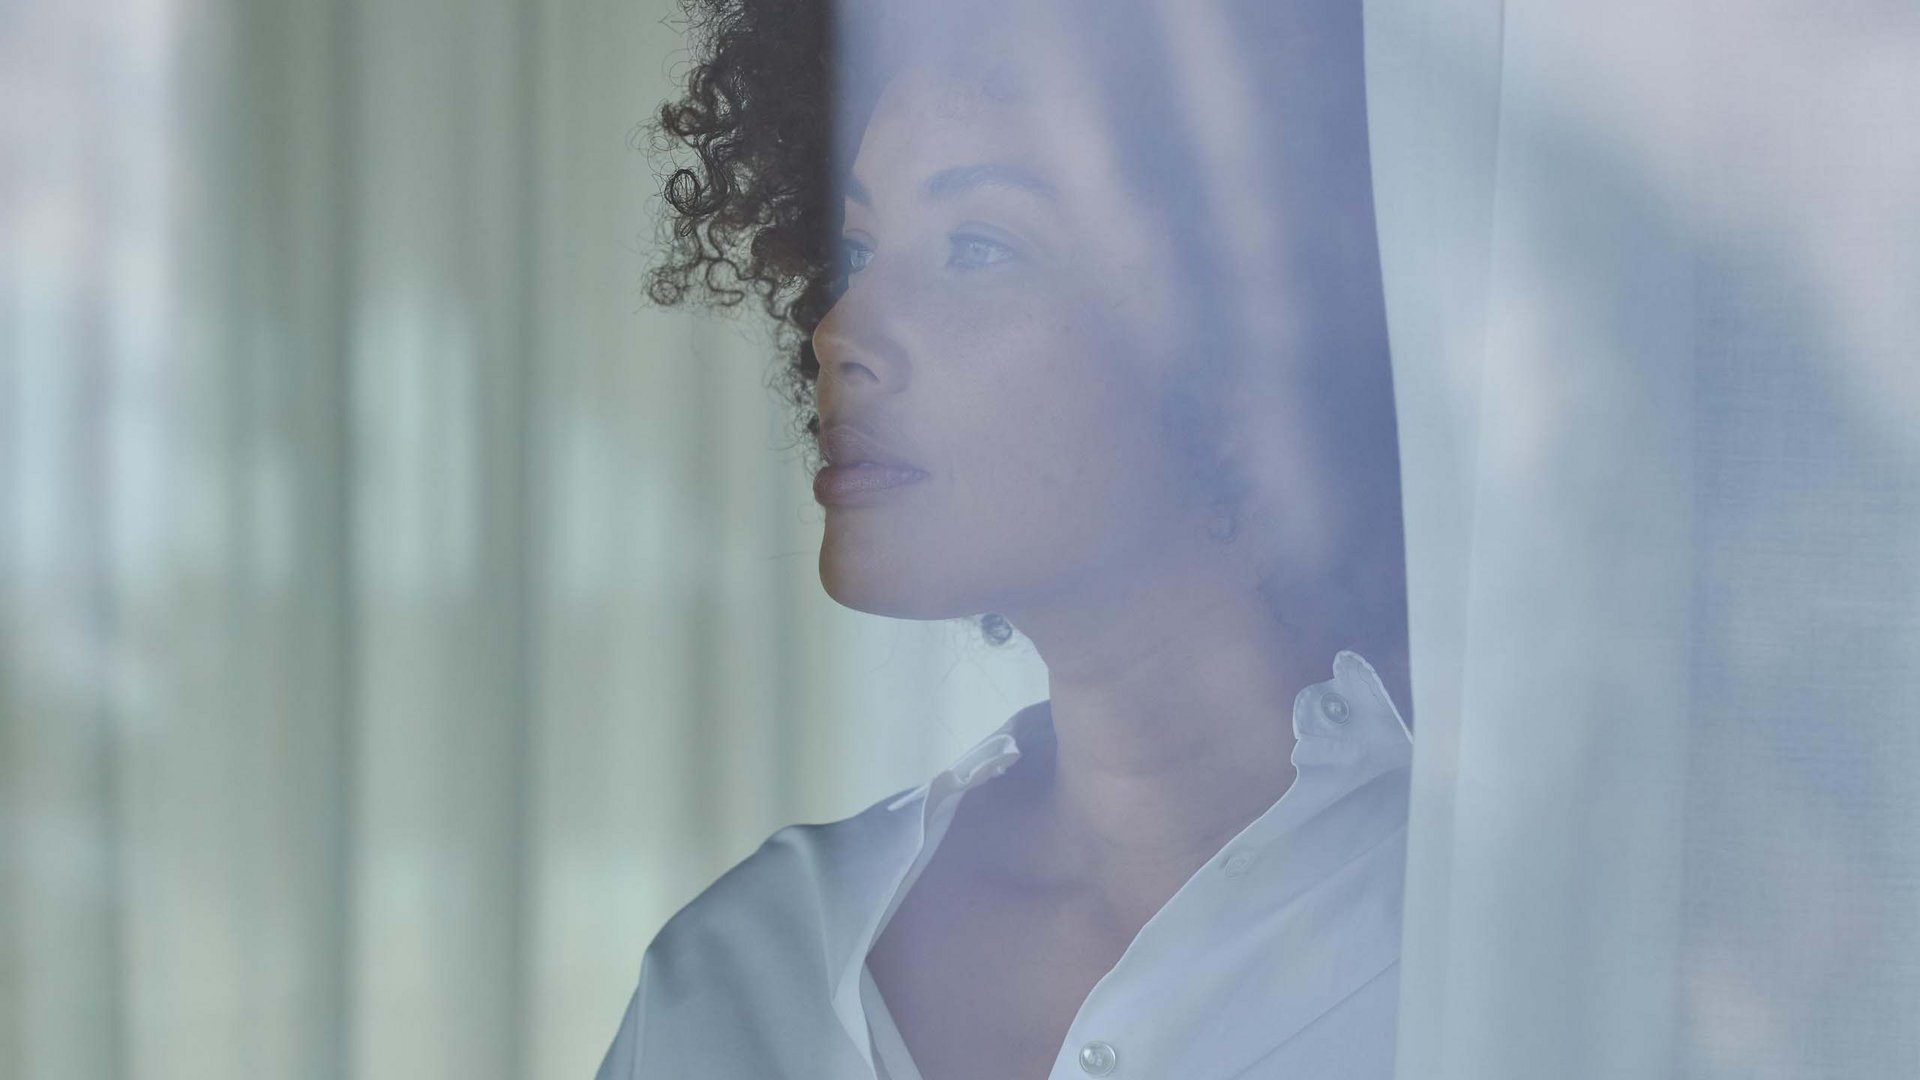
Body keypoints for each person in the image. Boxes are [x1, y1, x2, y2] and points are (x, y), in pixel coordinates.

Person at [598, 0, 1415, 1075]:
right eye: (857, 251)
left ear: (1249, 313)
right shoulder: (747, 971)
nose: (838, 330)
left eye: (977, 247)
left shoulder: (1533, 931)